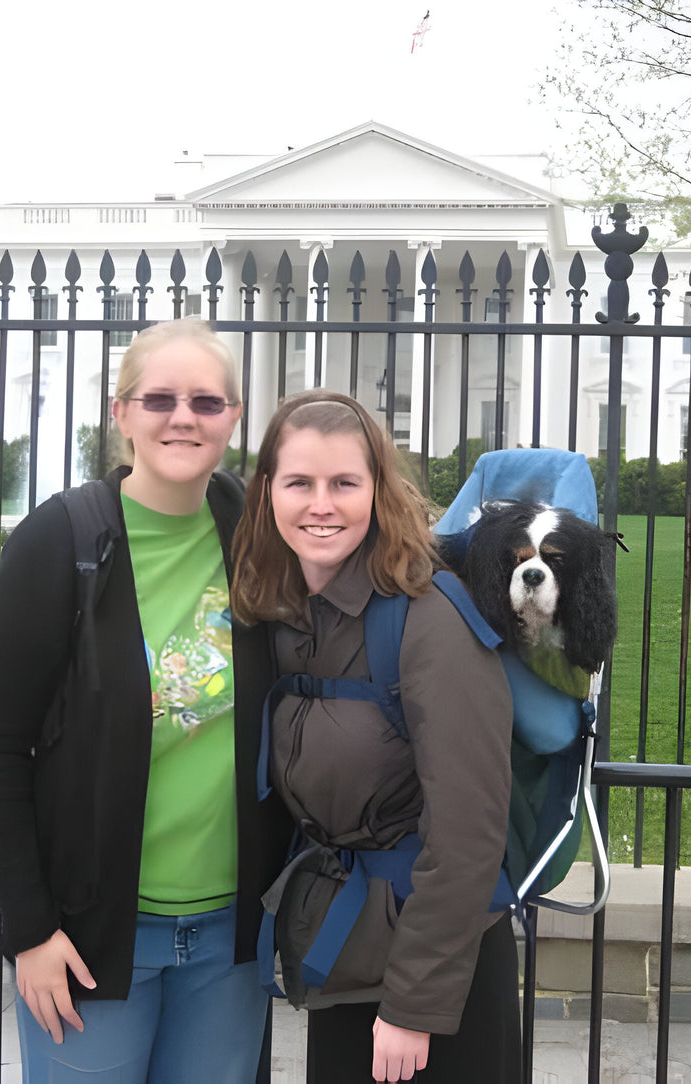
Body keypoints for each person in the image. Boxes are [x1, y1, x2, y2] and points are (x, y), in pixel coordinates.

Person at [0, 319, 292, 1082]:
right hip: (88, 932)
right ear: (121, 414)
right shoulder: (62, 538)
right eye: (160, 398)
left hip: (231, 935)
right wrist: (31, 931)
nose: (184, 417)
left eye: (207, 402)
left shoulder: (258, 534)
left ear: (234, 416)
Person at [231, 389, 521, 1084]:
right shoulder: (288, 614)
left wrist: (413, 1005)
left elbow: (469, 831)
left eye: (344, 483)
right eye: (299, 482)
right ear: (268, 491)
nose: (320, 505)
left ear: (377, 491)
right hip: (346, 951)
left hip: (435, 974)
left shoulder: (427, 620)